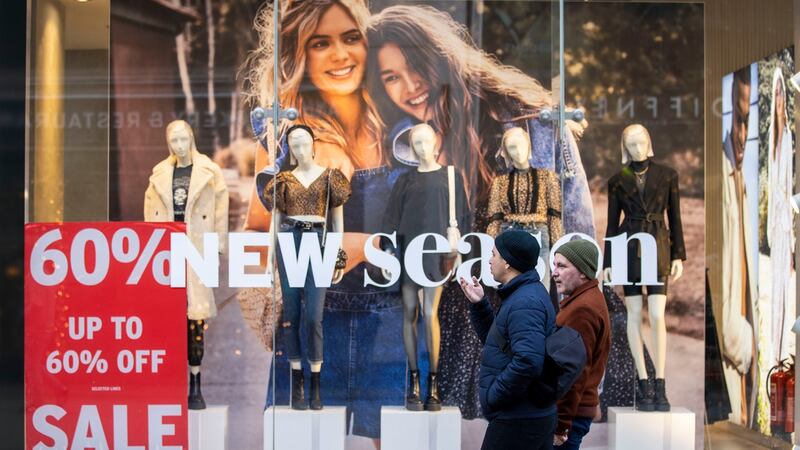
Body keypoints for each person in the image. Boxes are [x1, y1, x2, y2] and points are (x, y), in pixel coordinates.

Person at [243, 0, 407, 443]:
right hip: (316, 317)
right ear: (301, 54)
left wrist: (368, 245)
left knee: (398, 437)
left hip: (391, 318)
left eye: (351, 37)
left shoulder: (402, 125)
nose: (340, 54)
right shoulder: (285, 137)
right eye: (321, 42)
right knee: (303, 437)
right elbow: (258, 234)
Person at [459, 230, 557, 450]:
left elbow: (528, 361)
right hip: (525, 415)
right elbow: (501, 345)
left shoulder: (525, 301)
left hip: (519, 419)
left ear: (507, 262)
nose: (489, 260)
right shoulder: (522, 294)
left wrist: (495, 395)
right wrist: (480, 304)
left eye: (494, 254)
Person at [550, 239, 610, 449]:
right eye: (555, 266)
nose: (554, 273)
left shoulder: (583, 309)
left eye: (562, 266)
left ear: (584, 271)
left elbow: (575, 373)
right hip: (573, 412)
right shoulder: (586, 299)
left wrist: (561, 426)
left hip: (571, 415)